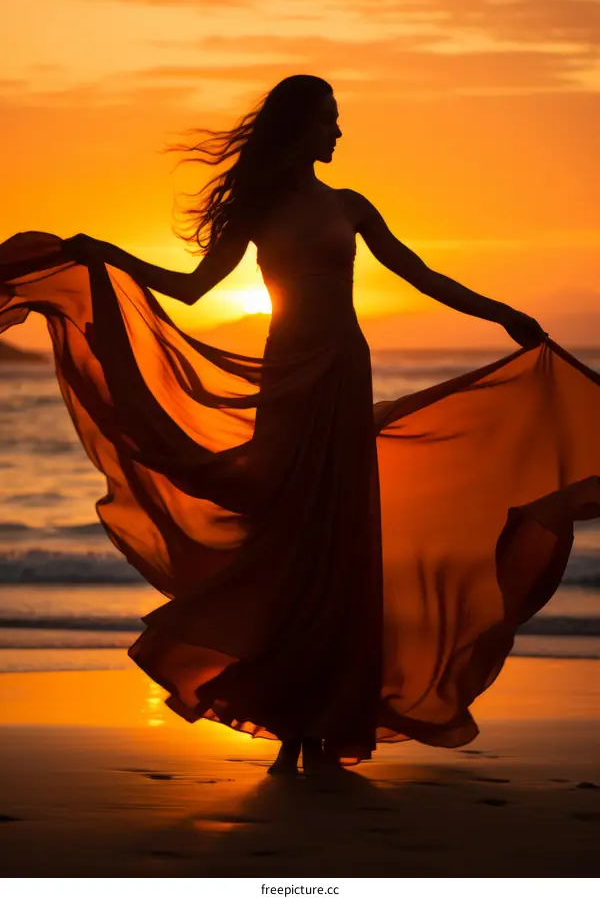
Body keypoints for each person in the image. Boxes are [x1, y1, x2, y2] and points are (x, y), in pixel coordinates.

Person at [1, 75, 597, 777]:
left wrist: (502, 315)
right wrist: (107, 253)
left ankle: (327, 723)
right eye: (328, 120)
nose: (338, 133)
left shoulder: (350, 205)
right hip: (290, 385)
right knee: (291, 549)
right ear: (298, 128)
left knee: (341, 548)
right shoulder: (257, 210)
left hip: (343, 378)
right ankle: (291, 725)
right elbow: (191, 290)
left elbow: (419, 272)